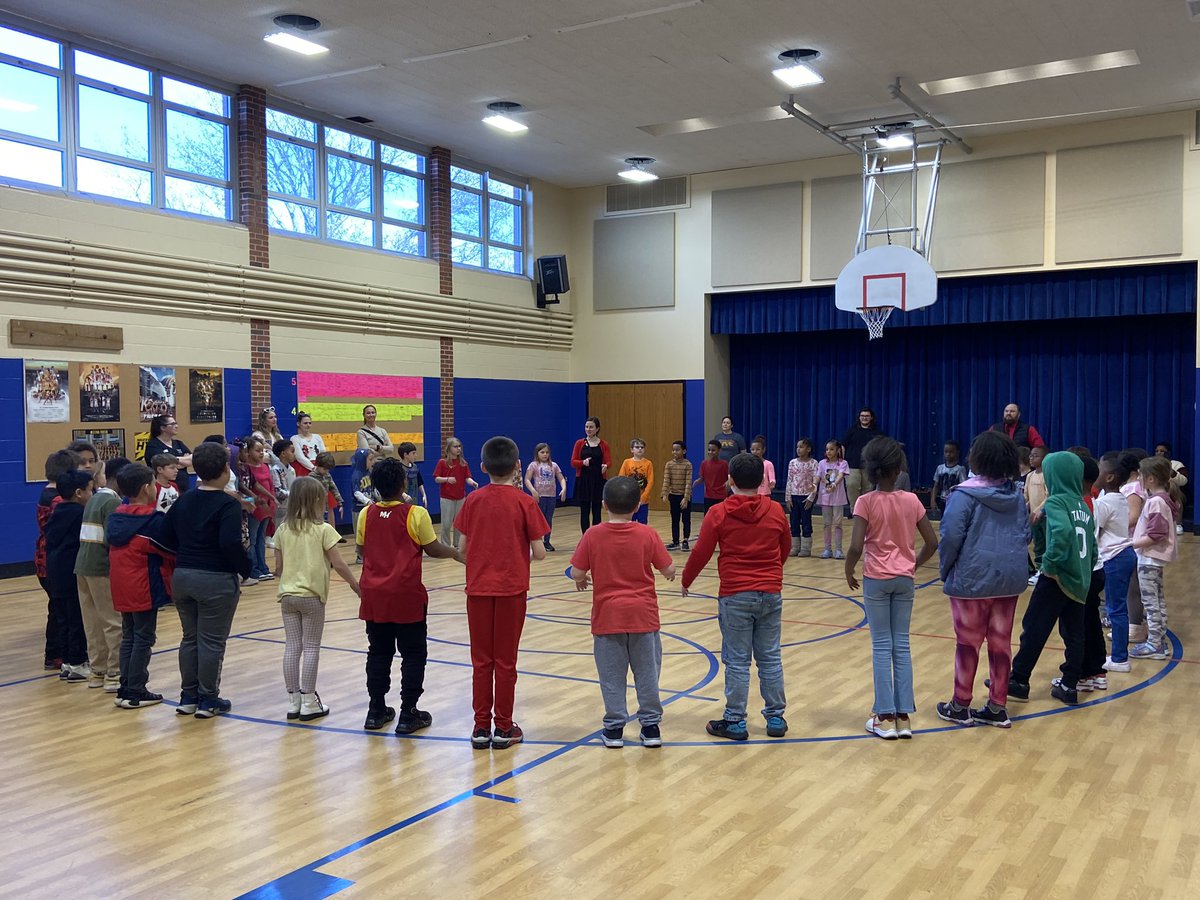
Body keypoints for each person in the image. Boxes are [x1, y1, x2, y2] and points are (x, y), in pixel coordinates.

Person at [681, 452, 791, 741]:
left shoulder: (718, 512)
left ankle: (735, 721)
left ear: (729, 481)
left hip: (735, 594)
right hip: (770, 592)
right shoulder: (776, 510)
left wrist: (686, 579)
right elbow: (785, 547)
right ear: (764, 481)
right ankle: (776, 718)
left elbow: (701, 552)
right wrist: (771, 573)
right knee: (770, 658)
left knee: (738, 661)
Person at [454, 436, 549, 750]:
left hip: (478, 589)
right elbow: (541, 552)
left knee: (481, 661)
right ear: (518, 466)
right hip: (511, 589)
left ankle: (481, 727)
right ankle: (504, 728)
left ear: (482, 467)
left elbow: (462, 549)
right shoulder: (524, 502)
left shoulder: (473, 500)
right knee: (506, 662)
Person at [358, 458, 463, 733]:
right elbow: (433, 549)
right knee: (413, 654)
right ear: (404, 483)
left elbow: (361, 550)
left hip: (374, 595)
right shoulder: (416, 514)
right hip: (405, 594)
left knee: (378, 652)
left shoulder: (364, 515)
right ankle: (408, 713)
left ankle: (375, 710)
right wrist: (455, 553)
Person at [570, 476, 676, 748]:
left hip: (608, 618)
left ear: (604, 505)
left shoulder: (592, 534)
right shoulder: (647, 534)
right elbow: (668, 569)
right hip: (644, 616)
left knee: (612, 676)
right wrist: (669, 574)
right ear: (637, 505)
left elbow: (577, 572)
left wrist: (581, 579)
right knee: (648, 674)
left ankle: (615, 728)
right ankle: (650, 727)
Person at [844, 437, 938, 740]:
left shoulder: (865, 502)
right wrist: (912, 564)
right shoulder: (911, 500)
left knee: (881, 645)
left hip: (876, 579)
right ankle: (904, 717)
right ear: (898, 469)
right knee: (903, 645)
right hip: (904, 579)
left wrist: (848, 569)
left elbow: (857, 546)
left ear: (870, 470)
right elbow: (932, 543)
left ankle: (884, 717)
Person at [933, 431, 1029, 729]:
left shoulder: (964, 495)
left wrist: (946, 569)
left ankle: (961, 705)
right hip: (1008, 581)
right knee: (1001, 643)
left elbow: (950, 538)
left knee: (968, 644)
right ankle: (998, 707)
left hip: (972, 581)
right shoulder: (1016, 494)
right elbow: (1025, 534)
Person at [162, 441, 252, 719]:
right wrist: (245, 568)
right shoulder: (227, 503)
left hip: (184, 575)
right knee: (212, 641)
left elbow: (166, 534)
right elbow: (229, 543)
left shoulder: (184, 498)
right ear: (226, 469)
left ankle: (188, 696)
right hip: (215, 578)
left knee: (190, 638)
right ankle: (208, 699)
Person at [1006, 452, 1097, 706]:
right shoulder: (1083, 504)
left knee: (1034, 628)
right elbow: (1093, 547)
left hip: (1055, 578)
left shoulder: (1056, 501)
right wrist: (1085, 571)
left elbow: (1064, 533)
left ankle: (1019, 680)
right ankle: (1069, 685)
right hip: (1079, 581)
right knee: (1074, 635)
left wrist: (1049, 565)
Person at [275, 477, 361, 722]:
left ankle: (293, 701)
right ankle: (309, 700)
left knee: (292, 646)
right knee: (311, 647)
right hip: (311, 596)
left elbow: (279, 568)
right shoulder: (323, 530)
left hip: (288, 596)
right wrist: (356, 586)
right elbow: (340, 564)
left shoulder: (282, 529)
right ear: (315, 502)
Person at [107, 464, 175, 709]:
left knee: (129, 636)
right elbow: (170, 550)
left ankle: (125, 688)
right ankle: (135, 690)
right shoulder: (151, 520)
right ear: (148, 488)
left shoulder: (117, 515)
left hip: (121, 584)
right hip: (143, 585)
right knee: (143, 638)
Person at [74, 456, 132, 692]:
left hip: (83, 566)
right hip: (100, 568)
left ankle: (97, 672)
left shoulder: (95, 498)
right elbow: (113, 538)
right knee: (112, 622)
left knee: (93, 622)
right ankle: (114, 673)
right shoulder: (111, 502)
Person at [45, 470, 95, 682]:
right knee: (76, 619)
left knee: (63, 618)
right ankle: (77, 662)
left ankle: (66, 661)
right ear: (79, 493)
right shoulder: (80, 514)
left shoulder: (57, 511)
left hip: (55, 571)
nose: (93, 494)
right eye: (90, 490)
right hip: (71, 571)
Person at [1130, 455, 1181, 660]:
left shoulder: (1157, 502)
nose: (1138, 479)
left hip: (1150, 558)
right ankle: (1157, 640)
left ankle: (1155, 644)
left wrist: (1131, 543)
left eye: (1141, 475)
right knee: (1156, 600)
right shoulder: (1159, 500)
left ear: (1150, 479)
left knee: (1151, 602)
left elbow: (1156, 535)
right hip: (1152, 558)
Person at [36, 448, 84, 671]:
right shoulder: (57, 499)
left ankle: (59, 652)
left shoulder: (50, 494)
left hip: (48, 558)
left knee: (58, 609)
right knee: (59, 611)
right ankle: (56, 653)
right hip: (53, 560)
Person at [1095, 452, 1137, 673]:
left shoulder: (1103, 503)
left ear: (1110, 477)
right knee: (1117, 607)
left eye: (1099, 470)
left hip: (1115, 557)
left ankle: (1120, 658)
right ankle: (1119, 655)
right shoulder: (1117, 497)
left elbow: (1095, 533)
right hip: (1125, 553)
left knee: (1116, 609)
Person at [241, 437, 277, 581]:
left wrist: (272, 502)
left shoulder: (265, 466)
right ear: (248, 452)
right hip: (255, 507)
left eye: (262, 450)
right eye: (257, 450)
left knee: (262, 539)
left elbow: (271, 486)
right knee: (253, 539)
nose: (261, 453)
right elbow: (249, 488)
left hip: (266, 507)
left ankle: (263, 567)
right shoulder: (245, 468)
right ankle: (254, 569)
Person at [434, 436, 477, 549]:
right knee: (447, 524)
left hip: (460, 497)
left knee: (458, 523)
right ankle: (446, 545)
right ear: (449, 448)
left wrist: (472, 483)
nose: (458, 449)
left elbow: (467, 477)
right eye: (455, 446)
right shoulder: (442, 462)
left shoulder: (463, 463)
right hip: (447, 497)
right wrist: (447, 479)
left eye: (459, 446)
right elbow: (437, 478)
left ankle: (457, 544)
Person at [571, 416, 610, 533]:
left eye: (591, 427)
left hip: (598, 480)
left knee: (597, 511)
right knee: (584, 510)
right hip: (584, 480)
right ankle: (585, 536)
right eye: (586, 427)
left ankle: (596, 535)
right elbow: (573, 462)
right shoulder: (579, 443)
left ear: (597, 429)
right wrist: (583, 462)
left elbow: (608, 461)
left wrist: (606, 466)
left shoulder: (603, 444)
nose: (588, 429)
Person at [525, 443, 567, 552]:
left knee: (548, 519)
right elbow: (527, 480)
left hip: (551, 496)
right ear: (537, 453)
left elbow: (561, 478)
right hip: (539, 497)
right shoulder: (533, 465)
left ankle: (547, 541)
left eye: (547, 452)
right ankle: (536, 541)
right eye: (542, 452)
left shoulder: (554, 465)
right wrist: (533, 491)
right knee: (538, 520)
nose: (545, 454)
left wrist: (564, 488)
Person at [841, 408, 883, 511]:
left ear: (871, 418)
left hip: (869, 466)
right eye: (862, 416)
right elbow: (843, 445)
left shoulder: (877, 432)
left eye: (867, 416)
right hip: (852, 465)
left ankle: (865, 511)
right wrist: (842, 461)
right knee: (852, 486)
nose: (864, 418)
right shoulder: (852, 430)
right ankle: (854, 510)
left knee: (868, 490)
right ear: (859, 418)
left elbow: (882, 447)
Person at [784, 438, 819, 557]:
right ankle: (795, 546)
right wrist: (788, 497)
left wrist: (811, 497)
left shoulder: (814, 463)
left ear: (808, 449)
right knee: (794, 521)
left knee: (806, 522)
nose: (798, 449)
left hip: (806, 497)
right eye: (797, 447)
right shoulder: (792, 462)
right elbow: (789, 480)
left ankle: (805, 548)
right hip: (794, 496)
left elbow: (816, 481)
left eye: (801, 447)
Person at [142, 415, 193, 491]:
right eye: (172, 424)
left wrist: (173, 460)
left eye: (176, 423)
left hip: (183, 487)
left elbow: (191, 460)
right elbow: (162, 464)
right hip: (163, 489)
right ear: (163, 428)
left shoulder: (179, 443)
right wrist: (182, 461)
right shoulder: (153, 445)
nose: (176, 426)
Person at [817, 439, 849, 559]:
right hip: (825, 497)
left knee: (838, 524)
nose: (828, 452)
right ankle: (827, 549)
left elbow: (841, 475)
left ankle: (839, 550)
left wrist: (834, 484)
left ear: (837, 450)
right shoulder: (821, 463)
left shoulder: (843, 463)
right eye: (827, 449)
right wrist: (825, 484)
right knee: (826, 524)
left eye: (831, 449)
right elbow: (820, 476)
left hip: (838, 498)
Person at [660, 440, 693, 551]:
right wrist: (664, 493)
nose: (675, 452)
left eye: (677, 450)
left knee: (686, 519)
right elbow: (666, 479)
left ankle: (685, 540)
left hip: (684, 496)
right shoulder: (669, 464)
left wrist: (685, 498)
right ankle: (675, 541)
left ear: (684, 451)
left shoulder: (688, 464)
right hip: (673, 495)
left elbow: (688, 482)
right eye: (673, 450)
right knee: (675, 519)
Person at [350, 448, 380, 564]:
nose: (372, 462)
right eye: (370, 459)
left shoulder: (370, 473)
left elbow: (373, 488)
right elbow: (356, 492)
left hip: (369, 508)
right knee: (359, 533)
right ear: (362, 460)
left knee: (370, 532)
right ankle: (360, 556)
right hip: (358, 508)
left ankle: (370, 554)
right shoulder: (356, 475)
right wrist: (367, 501)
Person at [1154, 442, 1188, 535]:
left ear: (1168, 453)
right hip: (1154, 491)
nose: (1159, 453)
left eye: (1162, 451)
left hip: (1173, 492)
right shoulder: (1151, 464)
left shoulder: (1177, 464)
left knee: (1173, 487)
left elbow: (1184, 481)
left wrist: (1172, 473)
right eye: (1157, 451)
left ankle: (1178, 524)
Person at [617, 438, 654, 525]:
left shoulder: (648, 463)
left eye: (642, 447)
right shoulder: (627, 462)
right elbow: (621, 478)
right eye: (637, 447)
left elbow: (650, 481)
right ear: (632, 449)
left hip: (643, 500)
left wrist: (644, 497)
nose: (640, 449)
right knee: (629, 522)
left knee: (642, 523)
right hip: (630, 499)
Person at [930, 440, 968, 517]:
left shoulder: (960, 469)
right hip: (942, 500)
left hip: (955, 501)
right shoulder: (940, 468)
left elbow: (963, 487)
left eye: (951, 452)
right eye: (946, 452)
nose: (948, 454)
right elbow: (936, 486)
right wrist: (932, 500)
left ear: (957, 453)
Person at [694, 440, 730, 515]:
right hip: (708, 495)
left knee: (721, 516)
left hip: (721, 496)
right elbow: (702, 478)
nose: (710, 452)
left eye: (713, 450)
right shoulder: (704, 463)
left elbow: (728, 477)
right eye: (709, 450)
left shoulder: (724, 464)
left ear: (719, 450)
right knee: (708, 516)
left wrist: (728, 482)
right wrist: (697, 481)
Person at [271, 438, 297, 535]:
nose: (294, 454)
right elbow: (277, 491)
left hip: (292, 505)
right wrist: (294, 494)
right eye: (292, 451)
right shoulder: (275, 470)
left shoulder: (292, 470)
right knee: (280, 532)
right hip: (280, 506)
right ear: (283, 454)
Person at [311, 451, 344, 523]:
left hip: (325, 505)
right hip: (314, 507)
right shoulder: (311, 477)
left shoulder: (327, 475)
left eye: (328, 469)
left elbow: (333, 488)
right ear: (317, 465)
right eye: (324, 469)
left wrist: (340, 502)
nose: (326, 471)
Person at [396, 441, 427, 507]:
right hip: (402, 502)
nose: (416, 455)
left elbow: (419, 482)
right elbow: (396, 485)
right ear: (405, 455)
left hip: (414, 500)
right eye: (413, 453)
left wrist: (424, 494)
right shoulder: (399, 468)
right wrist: (404, 494)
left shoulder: (415, 467)